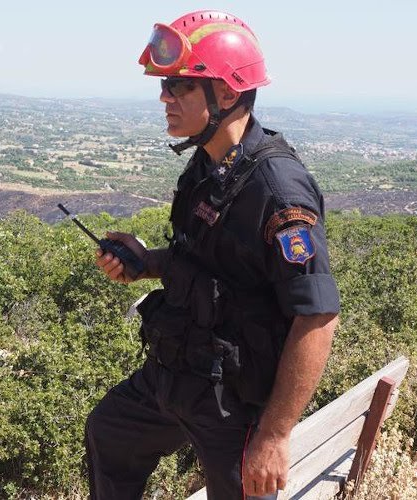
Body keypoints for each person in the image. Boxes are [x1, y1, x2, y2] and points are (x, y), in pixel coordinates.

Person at [86, 10, 340, 499]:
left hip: (233, 401)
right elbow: (209, 264)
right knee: (111, 432)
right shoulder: (207, 163)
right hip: (178, 371)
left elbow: (318, 317)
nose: (164, 98)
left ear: (225, 92)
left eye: (179, 86)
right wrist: (147, 261)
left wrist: (274, 435)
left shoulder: (278, 192)